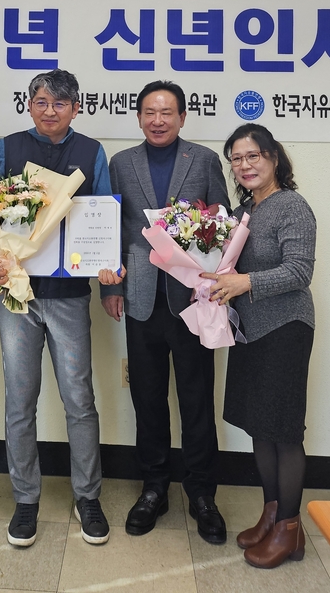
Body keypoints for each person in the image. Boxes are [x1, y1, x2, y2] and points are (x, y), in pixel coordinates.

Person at [0, 69, 112, 548]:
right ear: (29, 106)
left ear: (76, 108)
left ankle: (88, 496)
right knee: (20, 400)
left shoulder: (92, 152)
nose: (50, 110)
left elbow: (103, 216)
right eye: (41, 101)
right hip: (17, 294)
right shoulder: (6, 148)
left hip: (70, 295)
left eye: (60, 103)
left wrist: (108, 269)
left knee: (79, 399)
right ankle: (25, 499)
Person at [99, 80, 230, 543]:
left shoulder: (204, 160)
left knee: (197, 399)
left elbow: (221, 227)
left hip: (192, 300)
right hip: (140, 297)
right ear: (139, 117)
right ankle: (153, 487)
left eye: (167, 112)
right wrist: (109, 287)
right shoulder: (121, 163)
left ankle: (202, 494)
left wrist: (214, 283)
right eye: (150, 113)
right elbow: (111, 228)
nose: (158, 120)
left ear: (182, 117)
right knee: (148, 399)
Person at [202, 123, 316, 568]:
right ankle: (271, 514)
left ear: (274, 158)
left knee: (283, 431)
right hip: (249, 330)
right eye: (237, 158)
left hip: (286, 328)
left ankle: (290, 528)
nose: (245, 165)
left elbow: (299, 271)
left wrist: (243, 282)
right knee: (259, 426)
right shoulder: (244, 210)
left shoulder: (292, 206)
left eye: (254, 156)